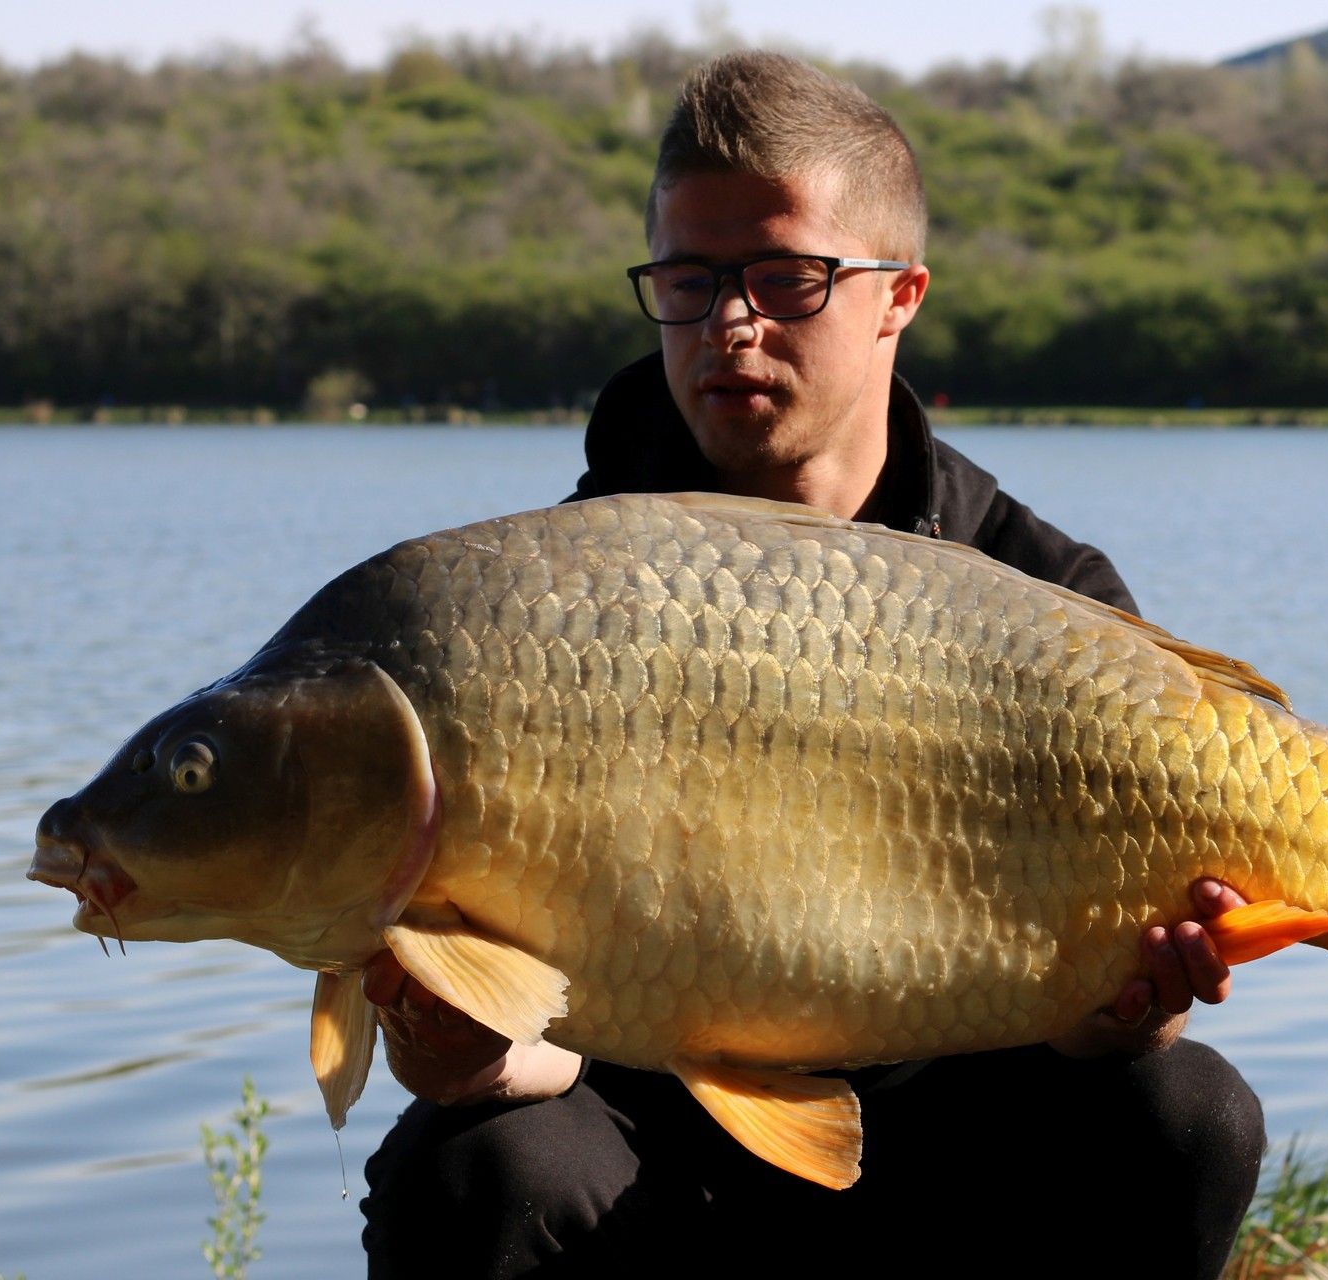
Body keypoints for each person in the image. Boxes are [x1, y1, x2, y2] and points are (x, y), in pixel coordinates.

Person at [361, 51, 1265, 1277]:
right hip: (657, 1158)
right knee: (475, 1164)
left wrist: (1135, 1007)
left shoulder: (1043, 589)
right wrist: (467, 1054)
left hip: (953, 1153)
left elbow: (1110, 1033)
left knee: (1184, 1110)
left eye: (788, 279)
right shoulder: (548, 611)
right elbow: (546, 1043)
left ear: (901, 296)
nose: (732, 323)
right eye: (690, 280)